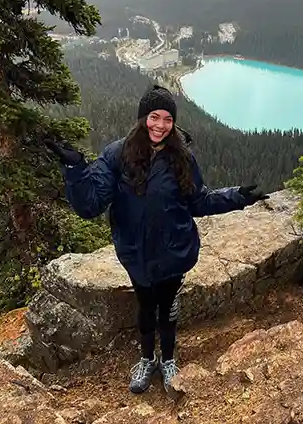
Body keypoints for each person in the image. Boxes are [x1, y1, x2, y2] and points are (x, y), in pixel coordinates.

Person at [46, 85, 268, 395]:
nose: (160, 125)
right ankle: (147, 359)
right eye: (154, 117)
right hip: (136, 254)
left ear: (174, 123)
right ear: (142, 118)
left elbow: (199, 202)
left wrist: (237, 197)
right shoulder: (116, 155)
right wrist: (74, 169)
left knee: (168, 309)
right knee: (146, 307)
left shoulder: (182, 158)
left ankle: (169, 360)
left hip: (174, 252)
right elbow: (90, 204)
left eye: (167, 119)